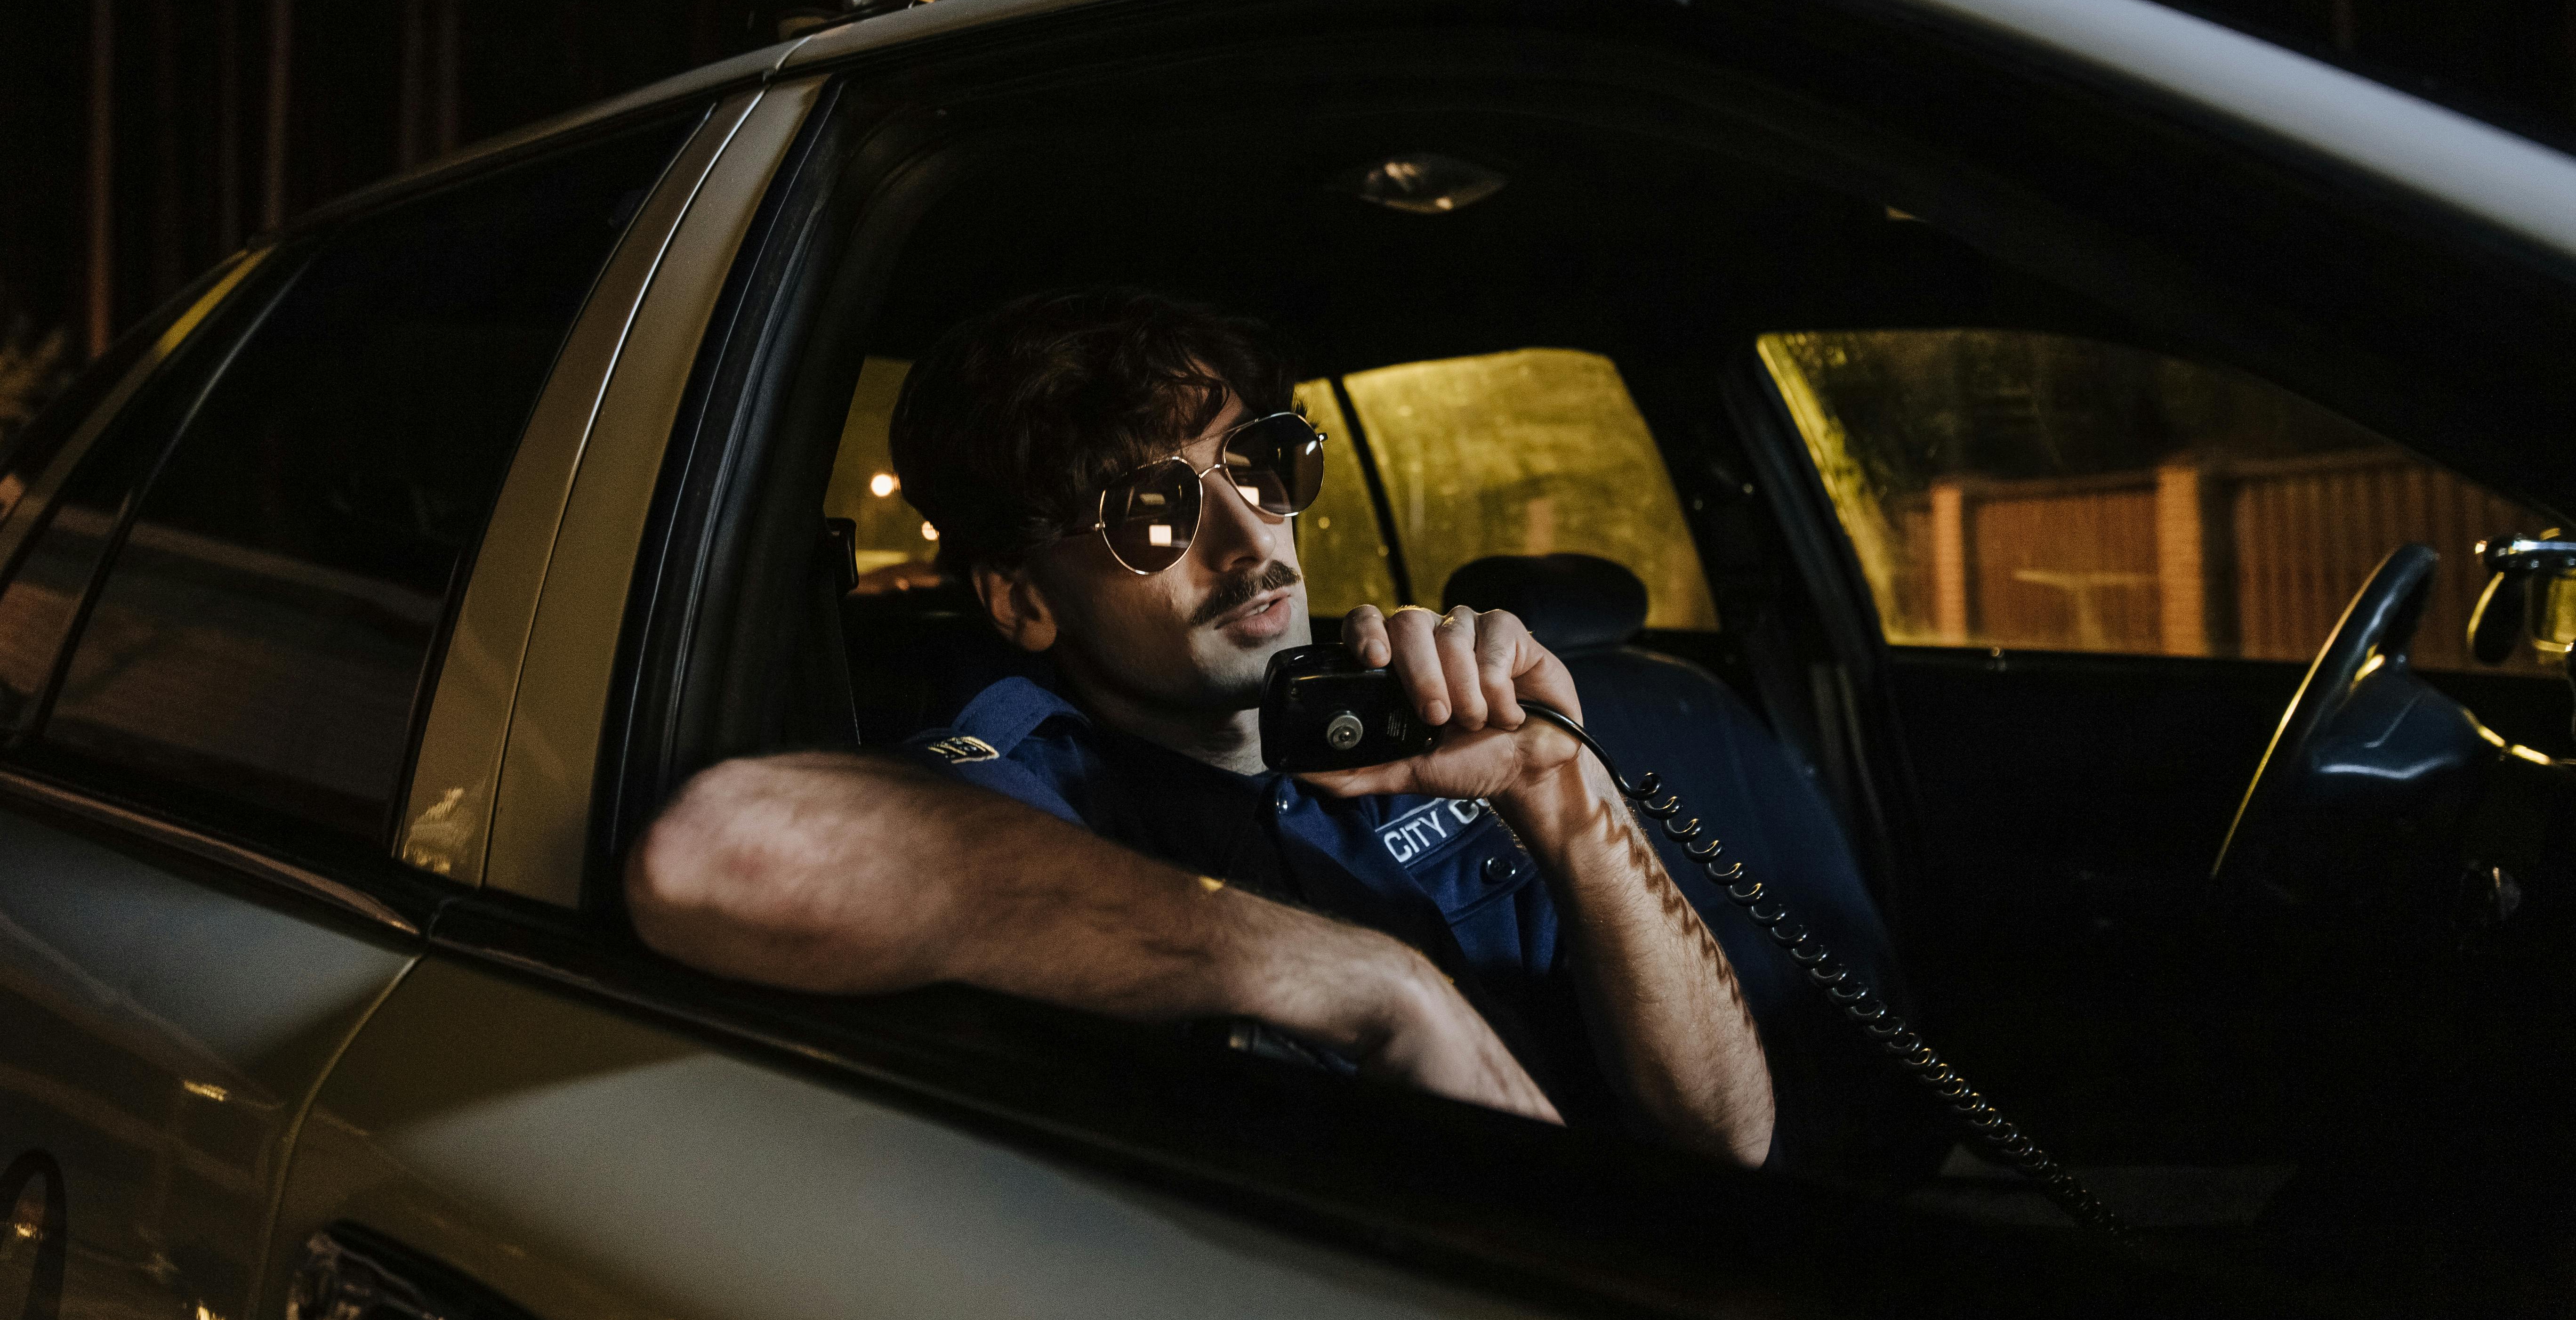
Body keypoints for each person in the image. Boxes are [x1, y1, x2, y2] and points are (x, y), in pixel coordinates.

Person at [628, 287, 1781, 1162]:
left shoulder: (1417, 713)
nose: (1253, 544)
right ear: (1023, 602)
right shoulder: (1028, 785)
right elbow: (715, 848)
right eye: (1152, 513)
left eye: (1260, 465)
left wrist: (1562, 795)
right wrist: (1378, 989)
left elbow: (1729, 1139)